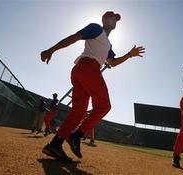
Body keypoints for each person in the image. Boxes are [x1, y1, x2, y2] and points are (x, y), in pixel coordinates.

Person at [40, 11, 145, 162]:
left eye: (117, 19)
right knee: (104, 105)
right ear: (104, 19)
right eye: (112, 17)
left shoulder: (108, 44)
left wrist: (129, 54)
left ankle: (55, 145)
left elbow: (113, 62)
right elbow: (74, 37)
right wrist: (52, 50)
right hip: (88, 67)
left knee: (79, 111)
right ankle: (77, 135)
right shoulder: (97, 28)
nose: (115, 20)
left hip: (81, 71)